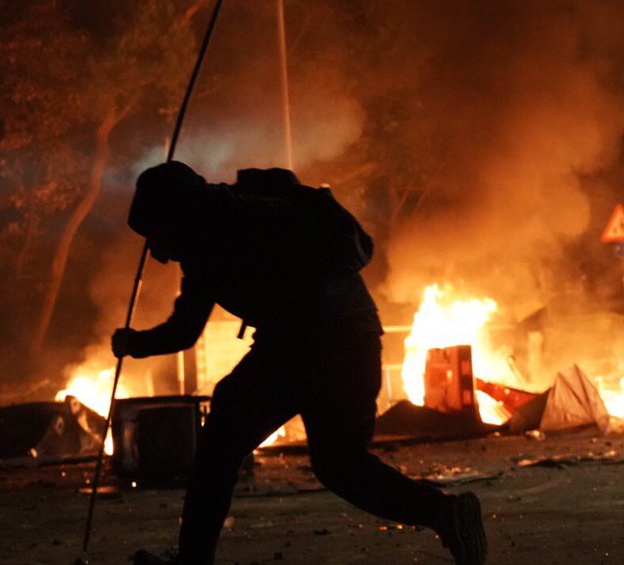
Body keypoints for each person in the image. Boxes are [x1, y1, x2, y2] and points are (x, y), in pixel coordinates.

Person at [112, 161, 487, 565]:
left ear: (175, 215)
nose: (157, 253)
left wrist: (132, 343)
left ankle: (193, 559)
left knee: (222, 438)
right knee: (340, 464)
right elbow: (184, 331)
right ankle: (446, 513)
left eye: (156, 235)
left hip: (305, 344)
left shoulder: (222, 232)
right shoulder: (223, 225)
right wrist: (136, 343)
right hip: (354, 337)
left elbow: (184, 331)